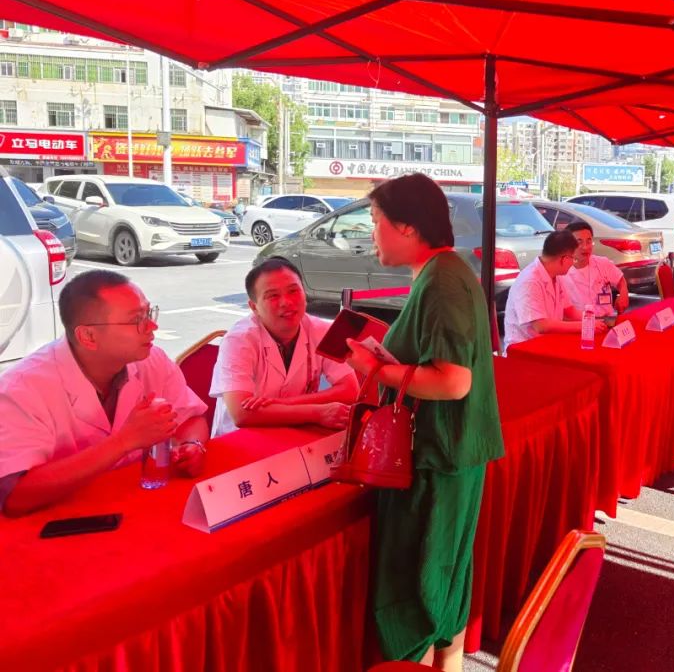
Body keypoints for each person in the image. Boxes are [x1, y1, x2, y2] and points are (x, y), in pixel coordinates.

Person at [342, 173, 504, 670]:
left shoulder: (442, 281)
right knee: (444, 581)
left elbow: (453, 382)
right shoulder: (444, 272)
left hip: (436, 459)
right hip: (447, 454)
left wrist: (375, 369)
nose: (372, 233)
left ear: (407, 227)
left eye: (376, 221)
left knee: (422, 585)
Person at [0, 270, 208, 516]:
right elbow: (14, 495)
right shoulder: (22, 388)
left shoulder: (152, 360)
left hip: (131, 505)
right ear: (88, 336)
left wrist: (193, 445)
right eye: (136, 319)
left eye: (149, 313)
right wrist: (123, 442)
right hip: (56, 521)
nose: (153, 326)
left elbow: (190, 417)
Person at [208, 258, 360, 437]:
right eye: (273, 295)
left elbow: (350, 390)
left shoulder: (322, 330)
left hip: (297, 432)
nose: (286, 302)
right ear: (254, 307)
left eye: (293, 291)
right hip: (242, 438)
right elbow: (241, 413)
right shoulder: (239, 339)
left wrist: (280, 405)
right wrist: (317, 412)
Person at [503, 230, 606, 349]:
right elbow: (541, 326)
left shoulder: (555, 275)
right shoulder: (529, 281)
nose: (573, 263)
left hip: (549, 342)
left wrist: (595, 321)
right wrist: (584, 326)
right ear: (564, 259)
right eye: (573, 258)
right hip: (524, 349)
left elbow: (569, 311)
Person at [561, 221, 629, 319]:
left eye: (588, 241)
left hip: (607, 320)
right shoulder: (561, 274)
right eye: (579, 242)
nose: (585, 247)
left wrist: (623, 294)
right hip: (579, 324)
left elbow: (620, 280)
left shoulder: (602, 263)